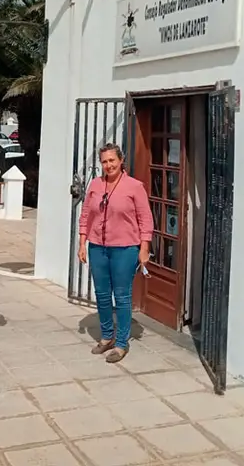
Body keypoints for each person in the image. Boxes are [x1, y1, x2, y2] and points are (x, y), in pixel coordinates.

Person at [77, 143, 153, 363]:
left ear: (121, 161)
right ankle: (107, 336)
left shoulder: (134, 186)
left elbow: (145, 219)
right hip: (98, 248)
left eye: (112, 160)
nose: (108, 165)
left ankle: (121, 343)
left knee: (121, 295)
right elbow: (85, 216)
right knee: (101, 294)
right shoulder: (95, 185)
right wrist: (82, 243)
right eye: (104, 161)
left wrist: (144, 247)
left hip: (125, 248)